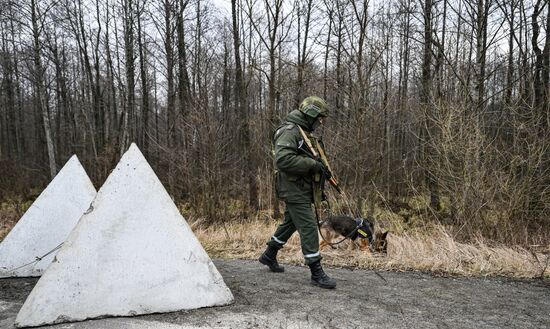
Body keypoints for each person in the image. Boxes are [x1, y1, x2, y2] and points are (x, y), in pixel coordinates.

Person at [259, 96, 336, 289]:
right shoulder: (289, 131)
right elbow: (283, 160)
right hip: (293, 189)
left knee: (290, 222)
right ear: (310, 114)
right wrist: (312, 164)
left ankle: (269, 255)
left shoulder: (303, 132)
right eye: (319, 118)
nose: (321, 122)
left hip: (300, 188)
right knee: (309, 227)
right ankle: (316, 272)